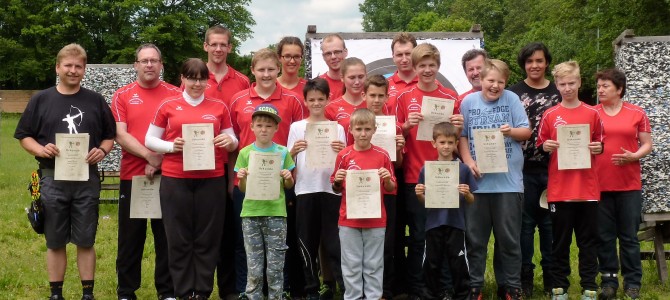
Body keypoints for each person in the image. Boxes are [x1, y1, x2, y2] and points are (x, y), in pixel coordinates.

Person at [14, 43, 116, 300]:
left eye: (78, 66)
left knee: (85, 239)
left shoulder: (95, 100)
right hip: (52, 178)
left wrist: (102, 151)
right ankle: (56, 294)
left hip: (87, 179)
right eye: (68, 65)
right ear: (57, 67)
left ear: (84, 69)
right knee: (55, 240)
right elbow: (24, 136)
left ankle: (87, 294)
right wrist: (40, 149)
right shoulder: (41, 99)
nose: (73, 70)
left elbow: (109, 136)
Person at [145, 58, 238, 299]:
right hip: (176, 178)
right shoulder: (168, 105)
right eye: (192, 78)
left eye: (201, 78)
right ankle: (184, 291)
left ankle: (203, 291)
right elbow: (150, 139)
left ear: (207, 80)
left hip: (212, 178)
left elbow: (233, 139)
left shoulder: (219, 107)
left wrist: (229, 142)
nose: (197, 83)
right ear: (182, 79)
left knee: (208, 237)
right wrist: (169, 146)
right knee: (178, 237)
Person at [229, 48, 305, 299]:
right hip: (249, 184)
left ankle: (279, 291)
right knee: (246, 247)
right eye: (261, 69)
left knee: (279, 247)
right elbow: (233, 139)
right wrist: (240, 177)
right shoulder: (239, 100)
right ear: (253, 70)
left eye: (271, 69)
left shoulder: (293, 100)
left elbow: (301, 134)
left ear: (278, 70)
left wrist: (289, 166)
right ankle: (247, 290)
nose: (266, 74)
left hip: (279, 185)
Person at [111, 43, 180, 300]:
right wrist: (149, 155)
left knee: (167, 236)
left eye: (154, 60)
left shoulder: (175, 93)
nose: (149, 65)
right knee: (131, 238)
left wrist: (160, 158)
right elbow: (120, 133)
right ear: (136, 65)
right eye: (144, 60)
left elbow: (179, 131)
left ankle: (168, 291)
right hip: (133, 176)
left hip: (170, 175)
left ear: (161, 64)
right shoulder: (123, 95)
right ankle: (127, 291)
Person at [458, 59, 531, 300]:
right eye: (491, 80)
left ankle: (510, 287)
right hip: (477, 185)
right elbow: (462, 136)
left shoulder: (511, 99)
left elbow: (526, 131)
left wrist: (509, 131)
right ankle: (475, 286)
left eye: (501, 81)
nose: (495, 86)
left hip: (508, 183)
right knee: (475, 240)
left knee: (509, 240)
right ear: (481, 79)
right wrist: (468, 162)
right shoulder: (468, 102)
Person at [395, 43, 461, 300]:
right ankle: (418, 288)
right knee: (420, 237)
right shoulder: (403, 97)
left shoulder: (450, 98)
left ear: (438, 67)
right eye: (422, 65)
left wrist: (458, 126)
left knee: (443, 235)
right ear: (414, 67)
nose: (427, 69)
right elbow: (392, 133)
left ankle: (443, 287)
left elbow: (457, 138)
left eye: (431, 65)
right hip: (415, 176)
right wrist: (405, 126)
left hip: (445, 175)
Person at [535, 61, 604, 300]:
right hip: (560, 189)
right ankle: (559, 286)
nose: (567, 88)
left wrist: (598, 147)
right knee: (560, 242)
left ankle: (589, 286)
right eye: (562, 84)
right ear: (556, 85)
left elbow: (600, 142)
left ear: (580, 82)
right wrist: (546, 146)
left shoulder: (593, 113)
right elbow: (540, 144)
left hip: (588, 189)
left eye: (571, 83)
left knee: (588, 241)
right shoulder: (550, 114)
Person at [201, 25, 251, 300]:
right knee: (209, 230)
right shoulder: (194, 77)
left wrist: (235, 176)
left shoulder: (242, 82)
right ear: (206, 46)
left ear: (230, 48)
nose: (218, 49)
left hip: (231, 165)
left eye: (224, 44)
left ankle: (230, 288)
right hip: (200, 167)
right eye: (214, 44)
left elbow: (241, 133)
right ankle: (202, 286)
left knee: (233, 229)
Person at [507, 42, 561, 298]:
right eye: (529, 62)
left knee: (550, 226)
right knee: (525, 227)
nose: (535, 66)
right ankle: (524, 277)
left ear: (546, 62)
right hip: (522, 169)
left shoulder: (558, 92)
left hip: (554, 169)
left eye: (539, 61)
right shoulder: (513, 93)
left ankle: (552, 277)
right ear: (524, 65)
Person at [594, 68, 652, 300]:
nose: (600, 90)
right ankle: (608, 281)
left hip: (629, 186)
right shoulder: (592, 112)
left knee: (629, 236)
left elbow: (647, 144)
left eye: (605, 86)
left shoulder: (637, 113)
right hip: (598, 185)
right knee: (604, 237)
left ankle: (632, 283)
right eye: (598, 86)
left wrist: (635, 156)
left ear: (619, 89)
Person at [287, 78, 347, 299]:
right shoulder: (296, 127)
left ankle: (342, 286)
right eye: (311, 99)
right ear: (305, 100)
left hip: (331, 190)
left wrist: (341, 150)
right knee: (306, 241)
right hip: (305, 189)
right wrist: (293, 150)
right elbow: (287, 160)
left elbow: (344, 160)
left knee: (334, 242)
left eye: (320, 99)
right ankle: (311, 288)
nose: (316, 103)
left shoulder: (337, 128)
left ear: (328, 99)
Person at [331, 108, 397, 300]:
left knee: (374, 264)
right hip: (348, 219)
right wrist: (337, 180)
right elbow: (336, 187)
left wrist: (386, 180)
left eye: (367, 129)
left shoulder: (382, 155)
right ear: (350, 129)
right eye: (358, 128)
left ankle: (373, 297)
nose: (363, 133)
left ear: (375, 129)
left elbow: (392, 188)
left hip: (376, 220)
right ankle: (352, 297)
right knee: (351, 264)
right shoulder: (343, 155)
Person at [235, 103, 296, 300]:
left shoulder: (283, 152)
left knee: (275, 264)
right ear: (252, 126)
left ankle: (276, 296)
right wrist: (242, 177)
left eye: (269, 126)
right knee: (254, 265)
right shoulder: (245, 153)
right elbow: (242, 189)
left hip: (276, 214)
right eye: (259, 125)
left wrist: (287, 176)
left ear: (276, 128)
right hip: (251, 214)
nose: (264, 129)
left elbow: (288, 186)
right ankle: (253, 297)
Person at [415, 122, 477, 300]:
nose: (446, 146)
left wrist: (466, 193)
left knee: (458, 263)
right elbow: (425, 202)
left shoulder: (463, 169)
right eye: (442, 142)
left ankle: (463, 295)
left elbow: (472, 200)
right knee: (431, 263)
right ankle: (428, 296)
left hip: (456, 224)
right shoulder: (427, 169)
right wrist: (420, 194)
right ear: (434, 143)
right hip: (433, 224)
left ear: (456, 143)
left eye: (450, 142)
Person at [363, 74, 406, 299]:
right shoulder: (356, 122)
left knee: (387, 242)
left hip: (387, 188)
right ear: (364, 95)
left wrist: (398, 148)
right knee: (364, 242)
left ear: (388, 97)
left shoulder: (394, 126)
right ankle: (364, 289)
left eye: (381, 96)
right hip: (362, 190)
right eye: (372, 95)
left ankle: (385, 291)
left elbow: (397, 164)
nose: (376, 100)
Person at [324, 57, 368, 146]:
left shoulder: (375, 104)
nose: (357, 82)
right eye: (352, 77)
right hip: (342, 159)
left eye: (361, 77)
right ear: (342, 78)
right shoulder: (331, 108)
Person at [386, 32, 418, 114]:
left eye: (408, 54)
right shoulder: (384, 86)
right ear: (393, 57)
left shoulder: (432, 84)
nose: (404, 59)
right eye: (399, 55)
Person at [318, 34, 348, 100]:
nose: (333, 57)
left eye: (337, 52)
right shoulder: (317, 85)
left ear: (345, 52)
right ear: (323, 57)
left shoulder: (357, 83)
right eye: (328, 53)